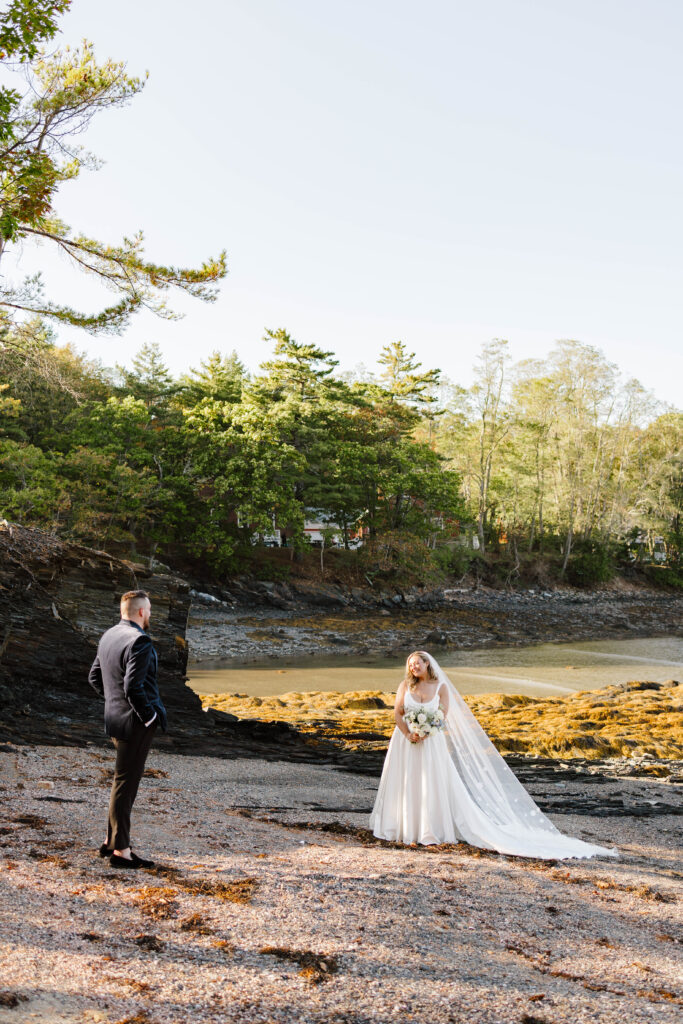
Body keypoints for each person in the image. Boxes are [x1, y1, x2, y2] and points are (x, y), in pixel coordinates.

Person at [370, 650, 617, 860]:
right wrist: (408, 734)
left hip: (431, 744)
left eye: (417, 662)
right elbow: (398, 714)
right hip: (404, 742)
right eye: (410, 664)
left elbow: (442, 717)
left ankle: (427, 830)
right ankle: (402, 827)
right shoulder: (405, 686)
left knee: (430, 785)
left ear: (427, 664)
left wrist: (425, 731)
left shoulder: (440, 687)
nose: (414, 667)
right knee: (406, 783)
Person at [88, 589, 166, 869]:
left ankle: (112, 841)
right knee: (126, 785)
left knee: (121, 782)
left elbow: (94, 677)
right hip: (134, 724)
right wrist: (148, 716)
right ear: (141, 612)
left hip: (115, 719)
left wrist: (114, 703)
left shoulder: (109, 635)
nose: (150, 615)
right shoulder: (140, 641)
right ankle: (121, 851)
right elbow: (133, 687)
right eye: (149, 610)